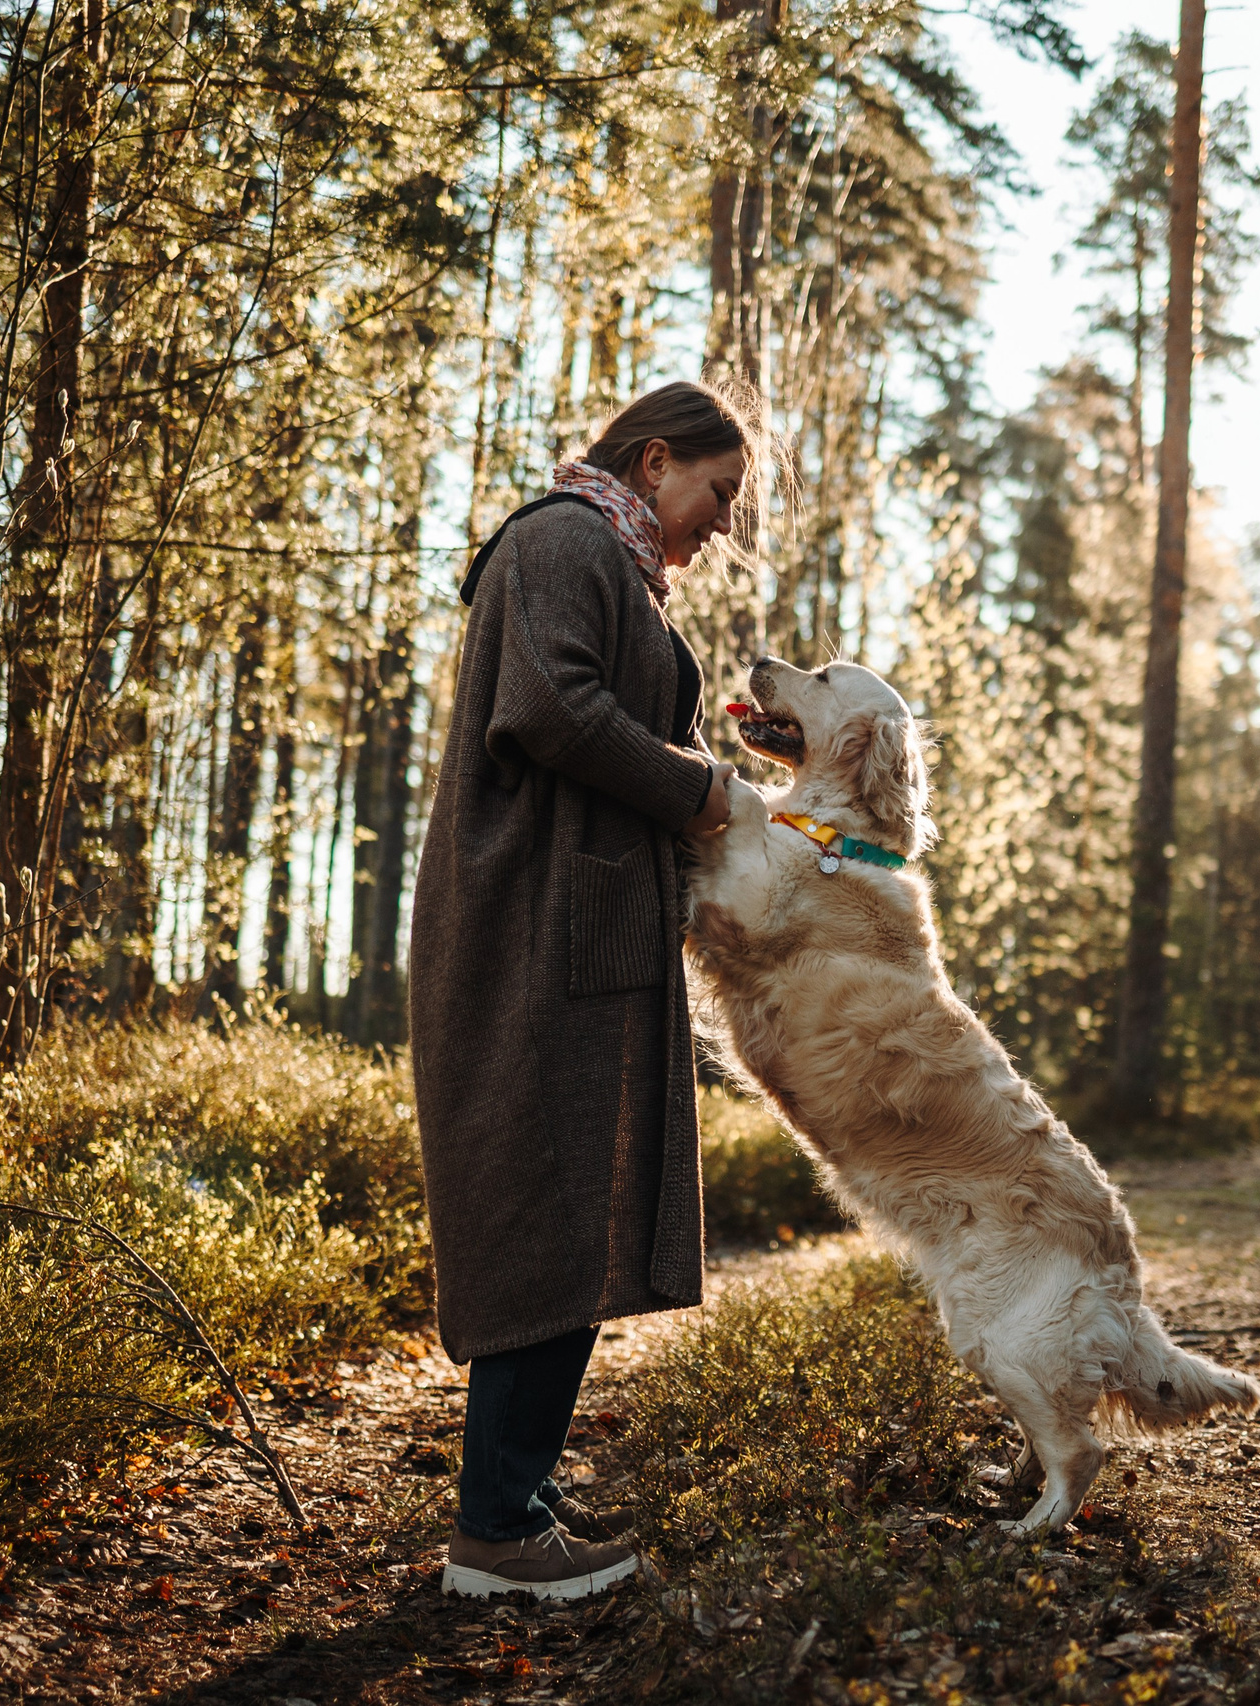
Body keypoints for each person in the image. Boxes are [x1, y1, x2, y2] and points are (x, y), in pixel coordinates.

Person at [409, 380, 757, 1601]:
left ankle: (519, 1490)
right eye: (717, 492)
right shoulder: (560, 539)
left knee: (574, 1202)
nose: (721, 520)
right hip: (531, 927)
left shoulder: (609, 557)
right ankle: (495, 1532)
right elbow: (552, 705)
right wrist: (694, 781)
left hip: (582, 925)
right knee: (541, 1201)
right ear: (656, 460)